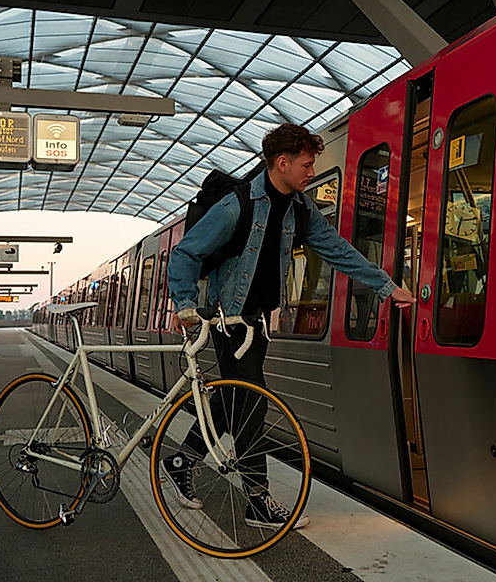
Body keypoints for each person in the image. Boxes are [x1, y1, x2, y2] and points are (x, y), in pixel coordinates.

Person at [165, 122, 416, 530]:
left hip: (257, 325)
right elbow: (185, 253)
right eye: (306, 163)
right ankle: (258, 502)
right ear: (282, 163)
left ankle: (181, 461)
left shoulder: (300, 209)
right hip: (229, 322)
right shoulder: (238, 204)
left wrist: (386, 287)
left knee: (232, 404)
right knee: (251, 403)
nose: (311, 171)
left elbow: (337, 250)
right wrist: (187, 305)